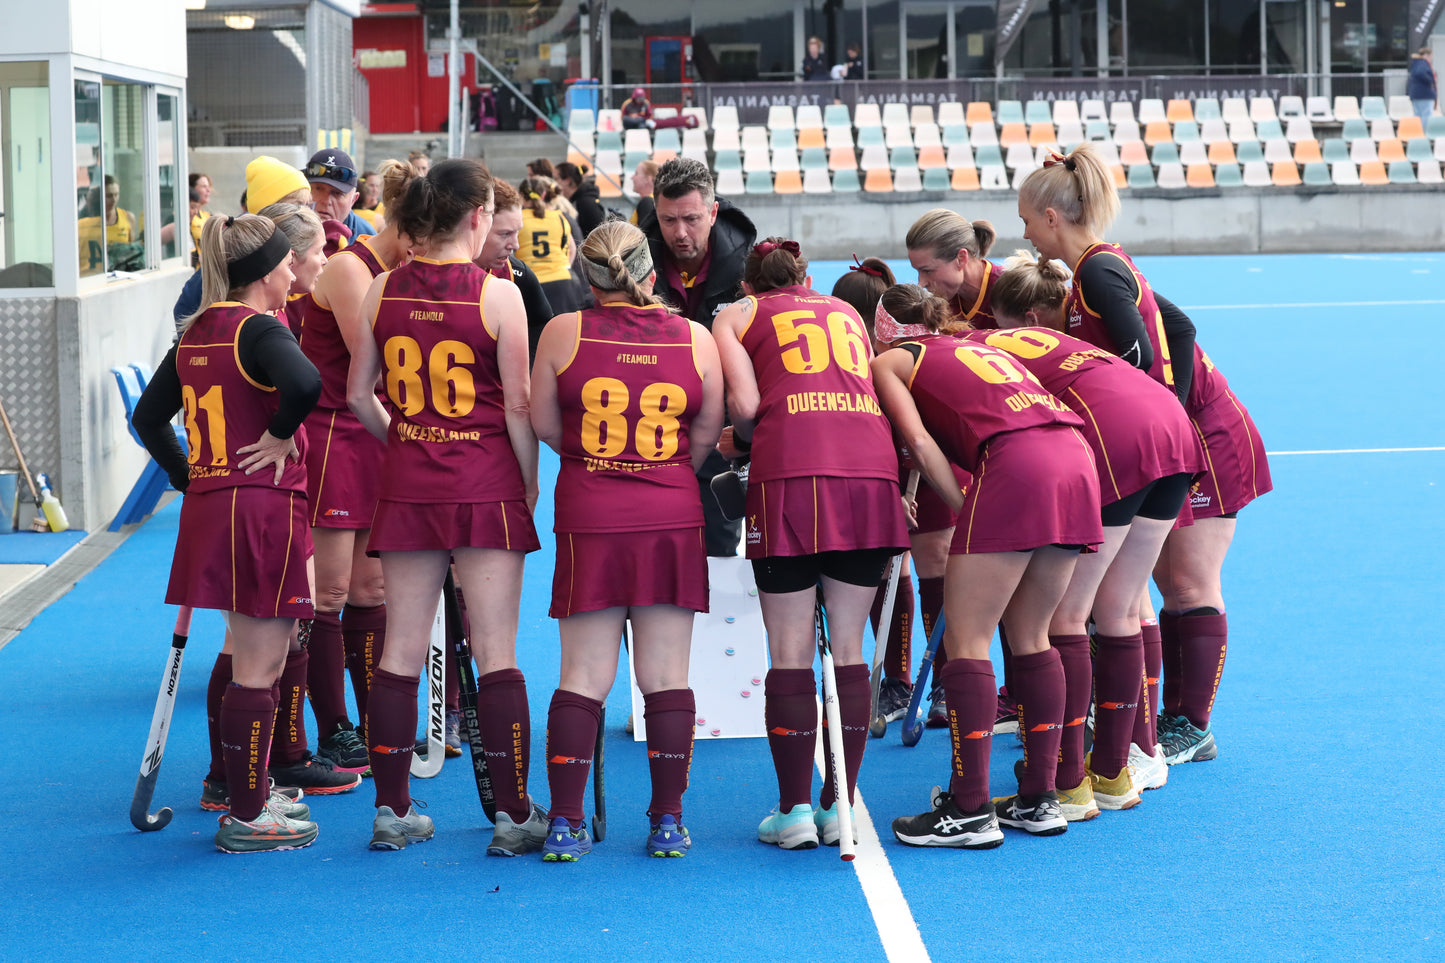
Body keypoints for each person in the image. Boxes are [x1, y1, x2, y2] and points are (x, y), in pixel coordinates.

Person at [1017, 143, 1270, 767]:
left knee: (1188, 582)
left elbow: (1144, 356)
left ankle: (1192, 723)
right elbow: (1178, 328)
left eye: (1025, 218)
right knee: (1143, 584)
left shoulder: (1099, 271)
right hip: (1174, 430)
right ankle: (1155, 723)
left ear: (1052, 216)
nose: (1023, 230)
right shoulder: (1094, 270)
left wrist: (1170, 411)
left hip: (1203, 432)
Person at [348, 159, 546, 856]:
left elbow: (355, 394)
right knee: (496, 651)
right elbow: (518, 406)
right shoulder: (499, 296)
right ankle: (515, 812)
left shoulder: (379, 287)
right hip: (483, 481)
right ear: (475, 218)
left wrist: (403, 435)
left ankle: (392, 806)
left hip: (409, 483)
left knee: (399, 648)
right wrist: (527, 480)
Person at [869, 283, 1101, 849]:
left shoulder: (889, 360)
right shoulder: (980, 344)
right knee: (1033, 635)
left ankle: (970, 807)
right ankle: (1040, 798)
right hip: (1074, 458)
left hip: (1015, 466)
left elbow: (920, 444)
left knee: (970, 639)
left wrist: (966, 504)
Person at [982, 251, 1204, 814]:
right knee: (1122, 606)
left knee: (1065, 614)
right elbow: (1176, 330)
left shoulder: (986, 349)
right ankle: (1113, 771)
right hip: (1175, 427)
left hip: (1122, 442)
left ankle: (1067, 782)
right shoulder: (1070, 341)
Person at [530, 220, 725, 860]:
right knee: (666, 674)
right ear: (650, 273)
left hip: (591, 511)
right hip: (670, 510)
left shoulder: (562, 330)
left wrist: (597, 462)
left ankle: (564, 821)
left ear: (589, 277)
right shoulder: (694, 337)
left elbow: (545, 425)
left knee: (582, 673)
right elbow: (706, 435)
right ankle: (667, 820)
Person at [131, 213, 323, 853]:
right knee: (260, 667)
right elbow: (306, 383)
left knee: (246, 654)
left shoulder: (196, 332)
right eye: (287, 263)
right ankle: (246, 813)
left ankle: (241, 788)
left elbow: (148, 417)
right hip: (261, 510)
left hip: (216, 507)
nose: (296, 270)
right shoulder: (259, 328)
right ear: (266, 272)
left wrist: (191, 474)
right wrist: (275, 436)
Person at [711, 238, 907, 851]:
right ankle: (838, 804)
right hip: (867, 472)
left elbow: (745, 407)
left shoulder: (736, 315)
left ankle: (794, 808)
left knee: (790, 649)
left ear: (749, 284)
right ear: (805, 275)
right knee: (849, 647)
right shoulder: (845, 311)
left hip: (792, 473)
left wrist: (739, 442)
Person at [296, 158, 418, 774]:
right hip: (334, 434)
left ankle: (375, 721)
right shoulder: (350, 269)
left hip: (375, 436)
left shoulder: (396, 268)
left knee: (373, 588)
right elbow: (377, 366)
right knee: (332, 591)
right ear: (404, 225)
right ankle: (333, 726)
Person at [902, 209, 1004, 726]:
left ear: (963, 259)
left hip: (1024, 449)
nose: (921, 285)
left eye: (927, 272)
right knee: (939, 553)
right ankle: (945, 685)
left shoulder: (1011, 298)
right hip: (974, 447)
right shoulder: (946, 302)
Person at [638, 157, 757, 555]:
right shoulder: (633, 265)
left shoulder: (749, 267)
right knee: (653, 555)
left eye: (691, 218)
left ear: (713, 211)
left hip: (723, 434)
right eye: (668, 220)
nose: (680, 233)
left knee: (719, 555)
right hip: (650, 430)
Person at [829, 256, 916, 724]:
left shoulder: (884, 358)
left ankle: (901, 680)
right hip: (872, 469)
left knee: (899, 569)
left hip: (901, 468)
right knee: (887, 571)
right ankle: (895, 680)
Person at [172, 155, 313, 330]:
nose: (303, 213)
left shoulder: (272, 246)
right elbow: (187, 304)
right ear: (270, 206)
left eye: (307, 205)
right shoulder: (241, 245)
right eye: (297, 204)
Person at [477, 179, 555, 359]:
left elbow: (542, 326)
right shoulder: (431, 268)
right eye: (505, 234)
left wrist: (523, 367)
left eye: (517, 232)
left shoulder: (516, 273)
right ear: (476, 224)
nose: (516, 245)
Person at [516, 175, 582, 315]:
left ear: (521, 196)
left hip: (533, 283)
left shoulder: (518, 218)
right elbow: (571, 249)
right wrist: (564, 267)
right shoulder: (558, 216)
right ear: (544, 194)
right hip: (562, 281)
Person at [304, 149, 376, 244]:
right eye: (318, 189)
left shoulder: (366, 238)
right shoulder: (287, 228)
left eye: (337, 193)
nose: (326, 201)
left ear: (353, 200)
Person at [78, 175, 142, 274]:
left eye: (116, 194)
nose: (113, 199)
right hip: (89, 276)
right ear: (100, 196)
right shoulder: (82, 223)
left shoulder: (127, 218)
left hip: (117, 276)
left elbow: (131, 253)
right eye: (109, 195)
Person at [554, 161, 606, 237]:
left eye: (556, 179)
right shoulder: (574, 201)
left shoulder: (586, 204)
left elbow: (597, 236)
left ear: (567, 181)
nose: (553, 183)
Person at [1409, 47, 1437, 123]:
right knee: (1426, 116)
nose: (1431, 58)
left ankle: (1417, 133)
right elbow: (1421, 73)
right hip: (1424, 95)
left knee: (1417, 115)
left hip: (1416, 95)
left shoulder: (1416, 62)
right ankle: (1424, 133)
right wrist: (1430, 80)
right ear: (1426, 55)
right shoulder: (1423, 63)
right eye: (1430, 56)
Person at [630, 159, 658, 228]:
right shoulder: (653, 201)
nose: (632, 178)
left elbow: (643, 234)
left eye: (636, 174)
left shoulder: (647, 202)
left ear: (648, 179)